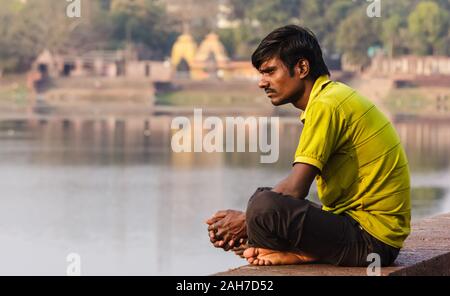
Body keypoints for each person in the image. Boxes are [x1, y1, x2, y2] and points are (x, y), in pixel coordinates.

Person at [206, 25, 411, 267]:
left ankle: (268, 247)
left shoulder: (327, 105)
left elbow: (295, 189)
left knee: (263, 206)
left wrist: (246, 220)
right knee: (261, 198)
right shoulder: (330, 97)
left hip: (372, 242)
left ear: (302, 68)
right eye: (262, 74)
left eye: (270, 72)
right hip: (364, 232)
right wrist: (251, 217)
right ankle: (289, 250)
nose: (262, 83)